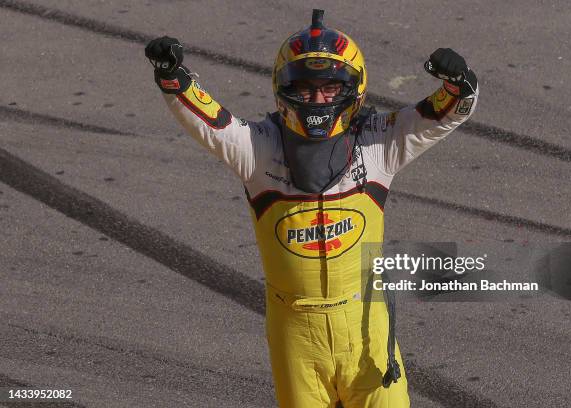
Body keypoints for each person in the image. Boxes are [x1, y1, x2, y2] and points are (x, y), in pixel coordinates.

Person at [145, 9, 478, 408]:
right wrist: (171, 76)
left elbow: (444, 114)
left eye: (331, 88)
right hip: (296, 338)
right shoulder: (258, 147)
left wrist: (460, 84)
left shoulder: (379, 142)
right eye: (304, 89)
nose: (318, 99)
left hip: (365, 331)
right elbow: (209, 121)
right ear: (282, 88)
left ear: (353, 88)